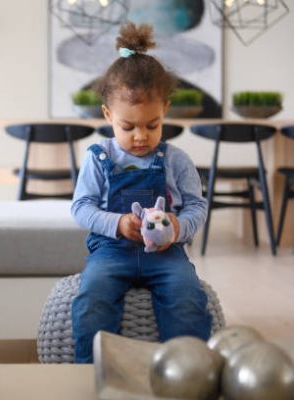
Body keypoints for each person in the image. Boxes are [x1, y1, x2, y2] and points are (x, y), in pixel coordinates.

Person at [71, 22, 211, 363]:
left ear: (164, 109)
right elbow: (81, 208)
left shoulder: (176, 159)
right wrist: (117, 223)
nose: (140, 137)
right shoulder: (98, 158)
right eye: (127, 127)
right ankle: (91, 371)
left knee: (187, 297)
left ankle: (187, 369)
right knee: (91, 299)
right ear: (108, 115)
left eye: (151, 125)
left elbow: (197, 206)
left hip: (166, 254)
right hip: (111, 252)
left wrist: (178, 228)